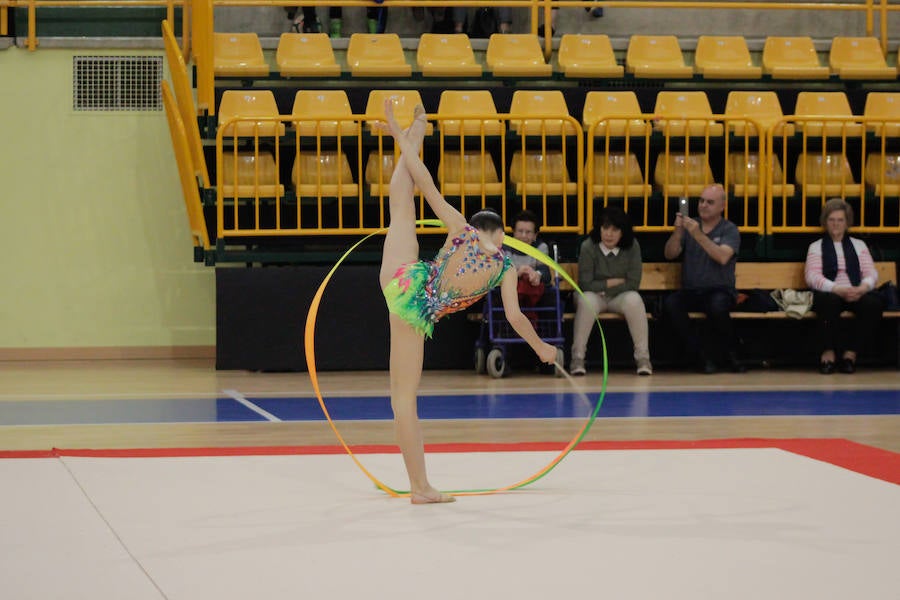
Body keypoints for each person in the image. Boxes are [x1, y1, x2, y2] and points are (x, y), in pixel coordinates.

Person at [378, 100, 558, 504]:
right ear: (502, 235)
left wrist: (398, 134)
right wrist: (541, 348)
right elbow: (515, 318)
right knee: (403, 401)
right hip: (413, 306)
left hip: (402, 274)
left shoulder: (460, 229)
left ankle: (418, 126)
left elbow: (424, 181)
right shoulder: (505, 268)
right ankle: (420, 488)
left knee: (402, 202)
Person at [662, 184, 744, 374]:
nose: (703, 205)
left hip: (720, 289)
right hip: (692, 290)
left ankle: (732, 353)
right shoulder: (690, 226)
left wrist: (697, 233)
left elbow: (722, 257)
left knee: (717, 305)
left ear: (722, 206)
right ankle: (701, 355)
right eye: (701, 201)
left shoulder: (729, 230)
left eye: (710, 202)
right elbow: (670, 254)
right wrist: (678, 232)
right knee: (671, 304)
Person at [570, 206, 652, 376]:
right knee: (587, 300)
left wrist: (603, 285)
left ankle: (643, 358)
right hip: (593, 296)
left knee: (634, 300)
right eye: (605, 228)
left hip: (619, 297)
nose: (609, 234)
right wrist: (611, 282)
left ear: (623, 232)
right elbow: (585, 284)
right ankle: (577, 358)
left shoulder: (632, 247)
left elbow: (633, 283)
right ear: (599, 228)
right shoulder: (588, 246)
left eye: (615, 229)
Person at [804, 198, 883, 374]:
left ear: (847, 222)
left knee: (873, 305)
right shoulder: (816, 247)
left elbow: (871, 273)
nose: (836, 224)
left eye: (840, 220)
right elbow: (812, 277)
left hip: (856, 291)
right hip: (831, 292)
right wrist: (837, 289)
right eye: (831, 220)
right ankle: (828, 354)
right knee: (827, 302)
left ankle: (850, 355)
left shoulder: (859, 245)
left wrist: (862, 288)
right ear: (825, 221)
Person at [505, 210, 551, 328]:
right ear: (513, 232)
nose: (524, 236)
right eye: (520, 231)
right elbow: (500, 275)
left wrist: (536, 274)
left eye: (528, 232)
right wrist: (518, 273)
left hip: (535, 294)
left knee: (549, 295)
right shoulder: (505, 248)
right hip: (511, 293)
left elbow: (545, 273)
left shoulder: (541, 247)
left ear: (535, 235)